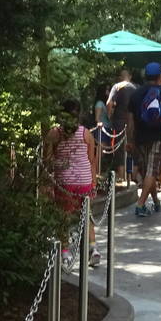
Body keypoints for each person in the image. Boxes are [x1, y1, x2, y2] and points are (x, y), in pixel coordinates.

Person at [43, 98, 100, 264]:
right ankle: (93, 248)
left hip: (64, 182)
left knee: (64, 216)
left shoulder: (54, 133)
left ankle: (66, 252)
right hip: (84, 181)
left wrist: (47, 183)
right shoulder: (86, 134)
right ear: (79, 114)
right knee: (87, 215)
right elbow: (91, 160)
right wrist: (94, 182)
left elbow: (47, 159)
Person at [127, 61, 161, 217]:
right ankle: (140, 205)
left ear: (145, 76)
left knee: (148, 172)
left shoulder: (136, 94)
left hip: (140, 137)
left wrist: (130, 140)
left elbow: (130, 120)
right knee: (151, 172)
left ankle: (156, 201)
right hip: (158, 136)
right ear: (160, 76)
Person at [106, 66, 137, 182]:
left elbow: (109, 102)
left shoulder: (117, 86)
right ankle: (131, 179)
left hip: (119, 121)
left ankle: (121, 177)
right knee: (132, 149)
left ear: (120, 77)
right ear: (130, 77)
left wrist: (109, 116)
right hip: (133, 122)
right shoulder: (136, 88)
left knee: (120, 150)